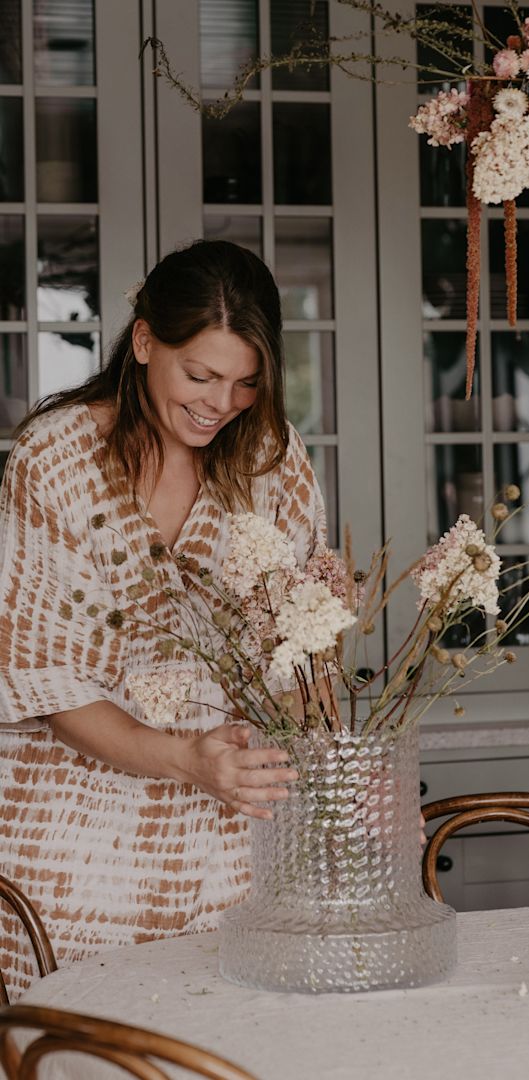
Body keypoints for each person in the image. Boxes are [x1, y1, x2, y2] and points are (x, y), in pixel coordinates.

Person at [0, 240, 327, 999]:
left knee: (241, 1037)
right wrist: (186, 759)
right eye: (201, 375)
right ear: (145, 340)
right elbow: (45, 678)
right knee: (92, 1043)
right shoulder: (55, 459)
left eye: (246, 383)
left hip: (234, 836)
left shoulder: (272, 458)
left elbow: (305, 645)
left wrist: (346, 777)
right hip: (77, 846)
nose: (222, 403)